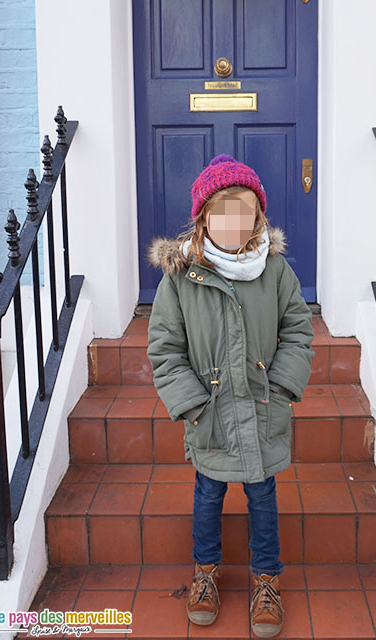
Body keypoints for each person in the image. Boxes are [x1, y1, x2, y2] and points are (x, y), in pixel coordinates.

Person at [146, 154, 315, 639]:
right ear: (203, 219)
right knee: (208, 494)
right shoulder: (182, 278)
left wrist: (282, 386)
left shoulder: (275, 271)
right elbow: (165, 347)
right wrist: (193, 403)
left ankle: (267, 579)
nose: (233, 224)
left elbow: (298, 330)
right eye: (222, 214)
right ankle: (206, 573)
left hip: (262, 408)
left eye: (244, 214)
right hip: (211, 413)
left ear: (258, 218)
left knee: (263, 495)